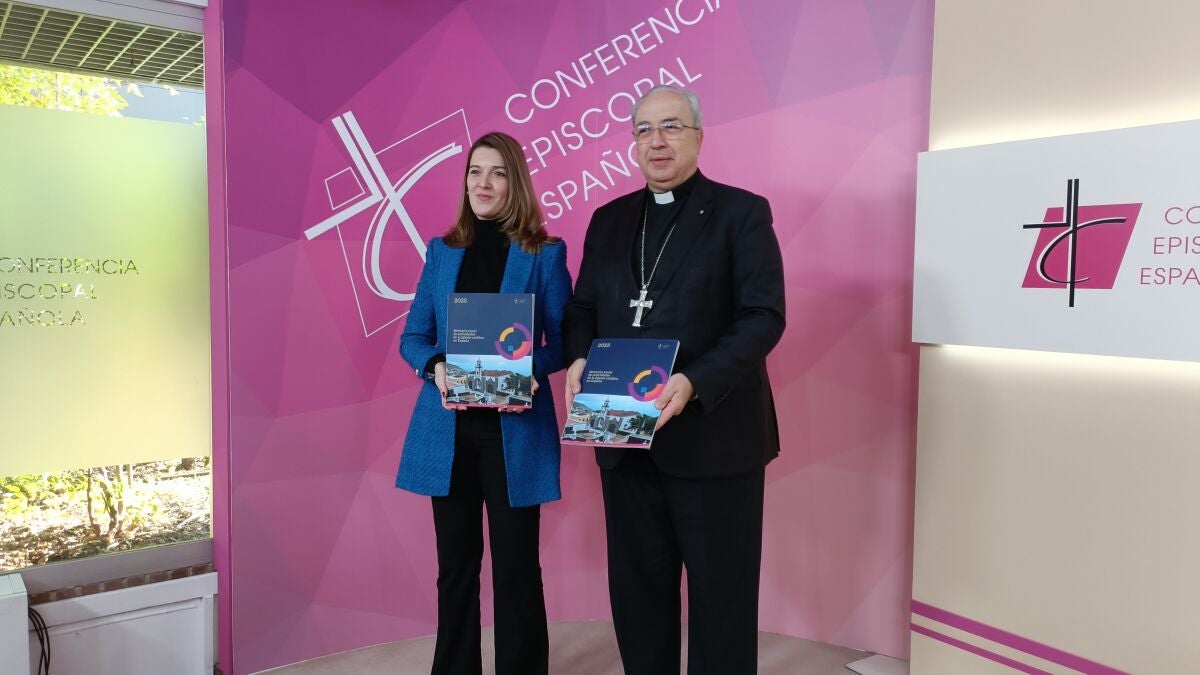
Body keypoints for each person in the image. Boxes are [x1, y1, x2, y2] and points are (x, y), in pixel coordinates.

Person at [563, 85, 786, 675]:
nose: (656, 141)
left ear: (698, 136)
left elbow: (763, 316)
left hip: (714, 440)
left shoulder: (741, 213)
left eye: (671, 127)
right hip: (625, 440)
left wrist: (693, 381)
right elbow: (582, 307)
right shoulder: (609, 220)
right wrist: (579, 357)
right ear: (633, 143)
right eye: (644, 130)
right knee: (637, 599)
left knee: (721, 602)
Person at [395, 131, 571, 675]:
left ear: (515, 181)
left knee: (516, 568)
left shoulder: (544, 253)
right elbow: (413, 337)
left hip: (513, 430)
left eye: (497, 172)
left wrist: (528, 371)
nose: (484, 183)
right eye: (475, 171)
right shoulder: (442, 251)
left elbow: (564, 342)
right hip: (449, 429)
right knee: (455, 568)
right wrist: (435, 366)